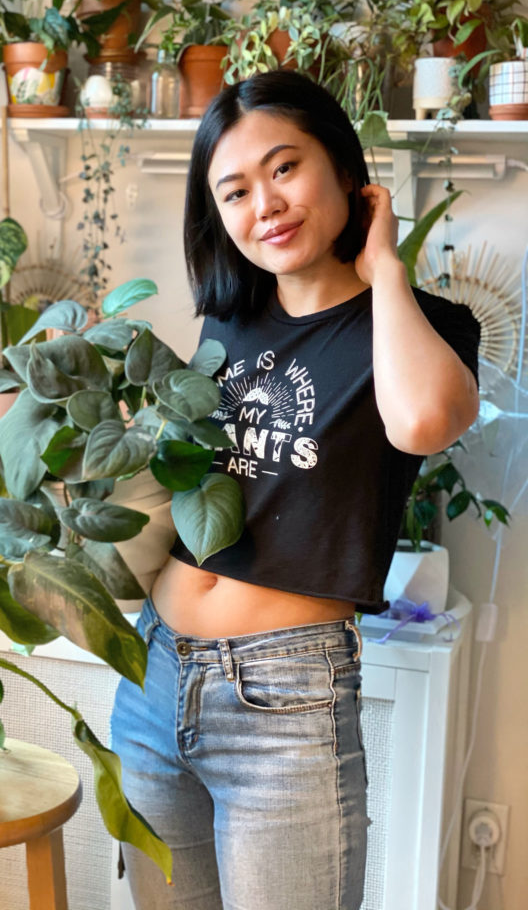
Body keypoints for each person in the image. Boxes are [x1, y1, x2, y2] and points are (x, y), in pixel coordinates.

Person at [110, 70, 480, 910]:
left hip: (285, 705)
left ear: (346, 169)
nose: (264, 205)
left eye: (285, 168)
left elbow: (422, 421)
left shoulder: (425, 326)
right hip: (155, 674)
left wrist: (384, 265)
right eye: (234, 190)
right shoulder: (228, 321)